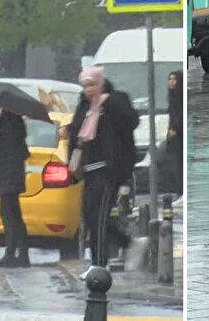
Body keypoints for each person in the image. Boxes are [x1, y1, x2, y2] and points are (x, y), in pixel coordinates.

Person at [67, 67, 139, 278]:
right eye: (85, 86)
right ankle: (127, 243)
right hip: (88, 167)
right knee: (91, 217)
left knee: (100, 215)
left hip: (110, 168)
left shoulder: (116, 100)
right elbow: (78, 132)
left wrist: (107, 103)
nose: (89, 90)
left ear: (100, 83)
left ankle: (99, 264)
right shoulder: (84, 105)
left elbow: (131, 121)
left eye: (92, 85)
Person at [0, 106, 31, 268]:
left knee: (10, 214)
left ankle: (14, 253)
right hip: (4, 172)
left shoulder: (11, 122)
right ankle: (18, 253)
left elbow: (9, 147)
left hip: (10, 173)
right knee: (10, 213)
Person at [166, 71, 183, 197]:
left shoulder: (179, 97)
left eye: (174, 79)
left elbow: (179, 114)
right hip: (175, 136)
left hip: (179, 135)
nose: (171, 82)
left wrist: (175, 128)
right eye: (170, 79)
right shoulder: (172, 96)